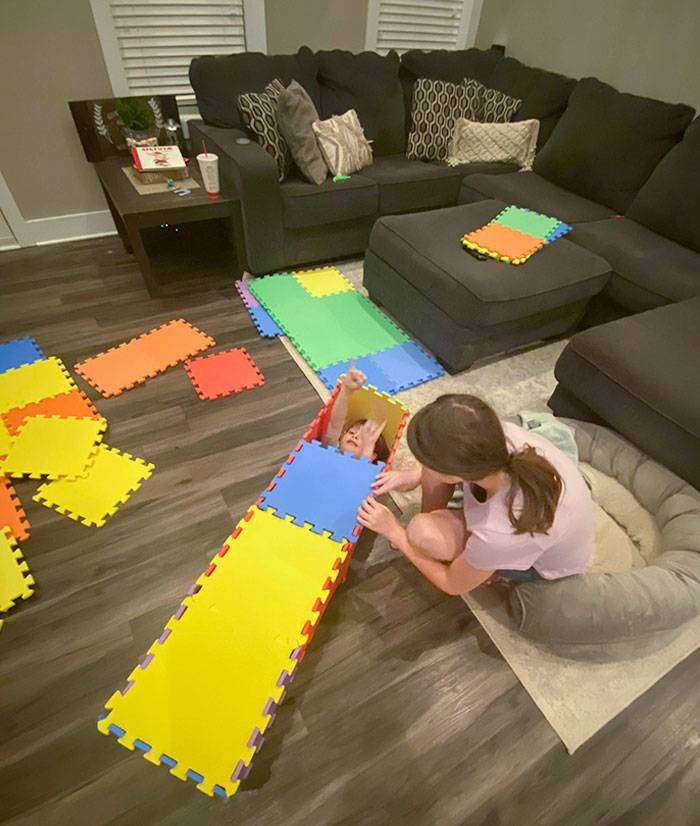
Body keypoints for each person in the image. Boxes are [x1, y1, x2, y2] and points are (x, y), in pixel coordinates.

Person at [357, 394, 593, 596]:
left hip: (538, 564)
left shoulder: (500, 532)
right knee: (428, 496)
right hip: (528, 520)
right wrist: (413, 476)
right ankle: (471, 555)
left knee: (420, 533)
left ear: (453, 475)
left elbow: (452, 584)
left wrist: (395, 532)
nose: (424, 466)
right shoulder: (499, 435)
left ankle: (487, 570)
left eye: (427, 464)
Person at [322, 366, 389, 462]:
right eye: (351, 432)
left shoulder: (364, 465)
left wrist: (369, 445)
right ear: (340, 439)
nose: (355, 436)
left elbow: (364, 463)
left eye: (362, 437)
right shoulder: (333, 449)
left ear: (373, 456)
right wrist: (346, 391)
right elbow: (335, 424)